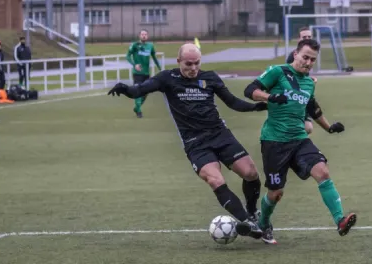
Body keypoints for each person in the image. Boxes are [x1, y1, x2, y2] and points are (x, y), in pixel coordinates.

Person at [108, 43, 266, 239]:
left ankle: (252, 211)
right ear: (178, 61)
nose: (193, 68)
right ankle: (248, 224)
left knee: (250, 173)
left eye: (197, 63)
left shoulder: (210, 78)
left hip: (220, 134)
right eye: (188, 64)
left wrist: (256, 107)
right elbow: (140, 89)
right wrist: (126, 89)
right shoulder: (167, 78)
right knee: (215, 179)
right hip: (195, 142)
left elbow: (232, 102)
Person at [244, 38, 357, 245]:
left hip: (299, 139)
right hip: (274, 141)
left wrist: (329, 127)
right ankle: (264, 222)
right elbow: (250, 90)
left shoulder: (308, 83)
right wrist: (269, 97)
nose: (308, 62)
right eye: (305, 57)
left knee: (322, 171)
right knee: (276, 193)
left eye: (312, 60)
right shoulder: (277, 71)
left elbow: (312, 108)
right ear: (295, 54)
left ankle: (340, 220)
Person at [126, 29, 161, 118]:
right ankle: (139, 112)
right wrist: (135, 65)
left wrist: (160, 68)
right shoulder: (135, 45)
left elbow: (154, 57)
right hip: (137, 73)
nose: (144, 36)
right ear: (139, 36)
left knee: (145, 93)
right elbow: (127, 56)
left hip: (146, 73)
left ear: (147, 36)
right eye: (142, 34)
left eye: (145, 34)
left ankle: (137, 107)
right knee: (138, 91)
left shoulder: (150, 46)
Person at [286, 26, 315, 134]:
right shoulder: (294, 55)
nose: (307, 39)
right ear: (299, 39)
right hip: (296, 95)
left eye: (309, 36)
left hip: (303, 94)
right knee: (307, 127)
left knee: (307, 128)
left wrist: (308, 79)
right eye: (304, 37)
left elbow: (300, 73)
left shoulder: (309, 53)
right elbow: (288, 74)